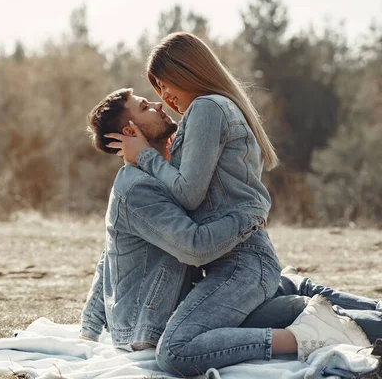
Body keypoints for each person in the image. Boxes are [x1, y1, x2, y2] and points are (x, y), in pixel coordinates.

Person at [84, 88, 371, 376]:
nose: (159, 104)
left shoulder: (162, 173)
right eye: (145, 106)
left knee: (296, 302)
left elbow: (110, 253)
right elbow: (193, 247)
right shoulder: (138, 189)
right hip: (151, 324)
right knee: (292, 306)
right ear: (129, 130)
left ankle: (364, 316)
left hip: (180, 304)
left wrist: (89, 328)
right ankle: (310, 337)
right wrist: (248, 217)